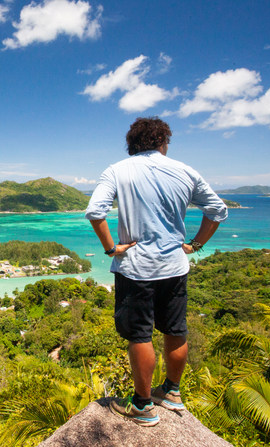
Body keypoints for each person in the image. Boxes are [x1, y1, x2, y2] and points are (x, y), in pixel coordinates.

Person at [85, 117, 227, 426]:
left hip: (136, 269)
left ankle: (143, 405)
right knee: (175, 329)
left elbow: (95, 212)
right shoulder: (186, 171)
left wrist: (112, 249)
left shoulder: (117, 171)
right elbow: (218, 211)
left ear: (132, 144)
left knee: (140, 334)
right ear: (162, 142)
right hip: (175, 266)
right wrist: (195, 244)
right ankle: (172, 393)